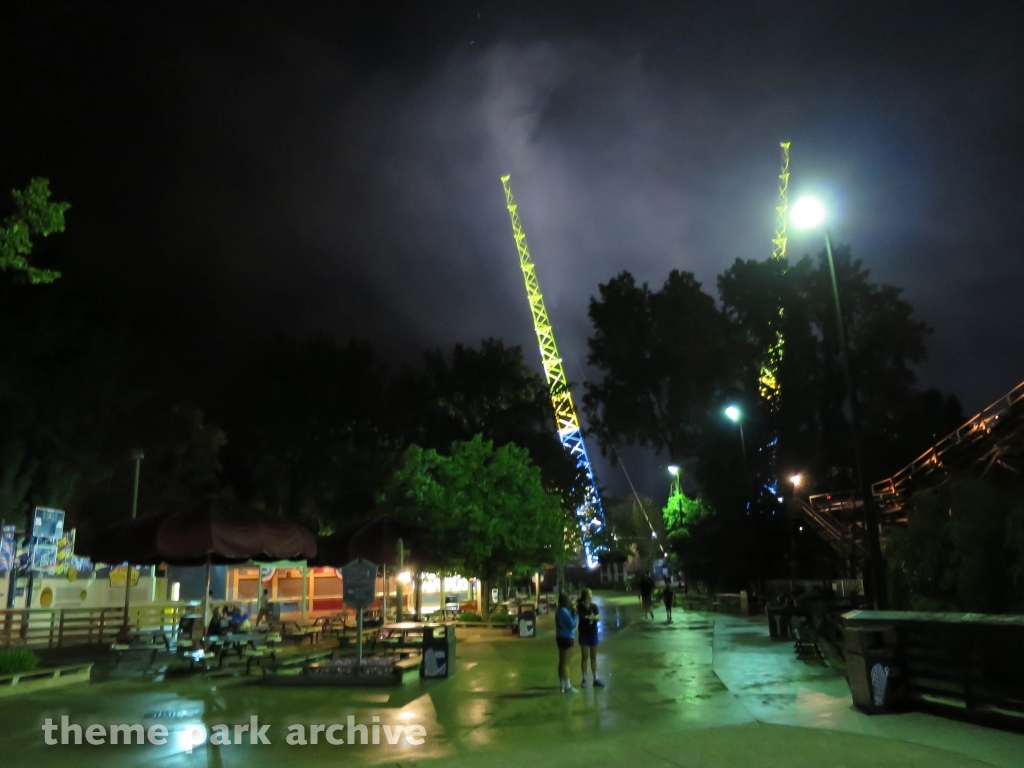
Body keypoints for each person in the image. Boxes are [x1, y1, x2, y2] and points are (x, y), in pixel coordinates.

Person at [576, 588, 604, 688]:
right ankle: (584, 679)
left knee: (593, 657)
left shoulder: (594, 606)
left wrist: (590, 618)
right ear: (586, 596)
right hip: (583, 634)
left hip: (593, 634)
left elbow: (598, 617)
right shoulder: (580, 607)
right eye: (590, 593)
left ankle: (595, 678)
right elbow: (582, 618)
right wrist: (593, 618)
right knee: (584, 657)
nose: (592, 595)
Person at [555, 592, 578, 693]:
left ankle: (562, 685)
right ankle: (568, 687)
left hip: (560, 637)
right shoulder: (565, 611)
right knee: (566, 663)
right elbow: (572, 624)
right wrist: (575, 614)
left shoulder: (559, 611)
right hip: (567, 637)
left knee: (561, 662)